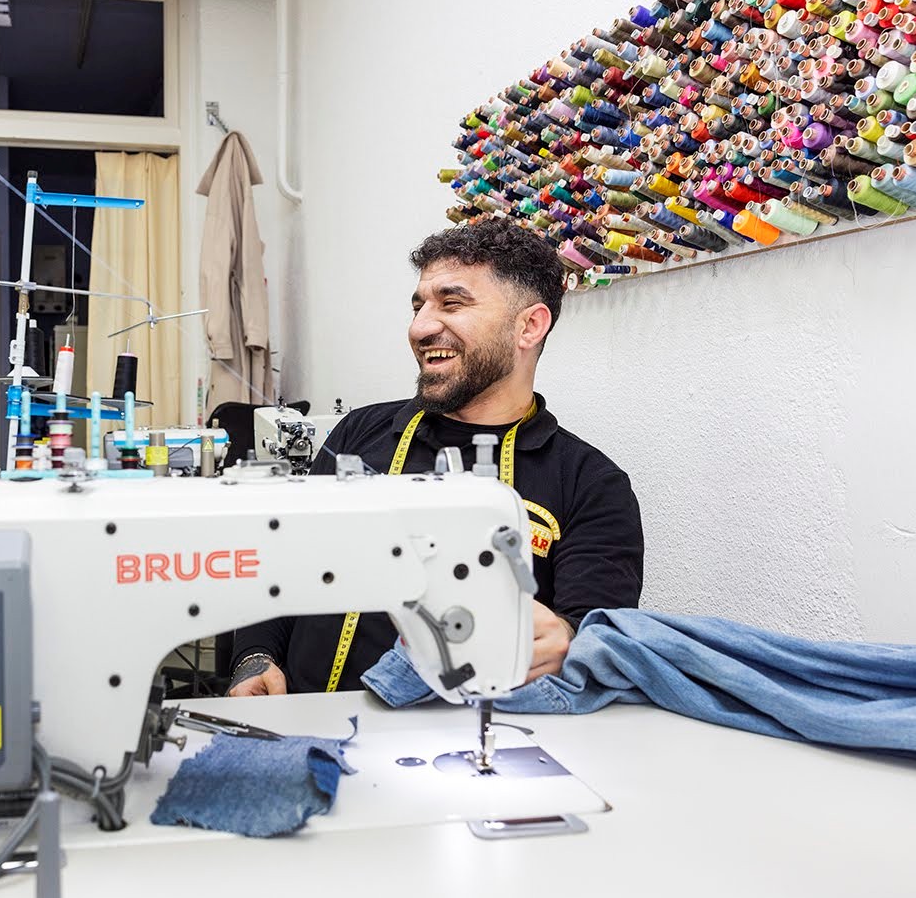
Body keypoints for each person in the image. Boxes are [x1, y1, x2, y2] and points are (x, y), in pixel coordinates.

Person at [229, 219, 642, 697]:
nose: (420, 327)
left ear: (529, 325)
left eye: (452, 303)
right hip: (306, 721)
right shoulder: (359, 434)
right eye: (419, 305)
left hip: (471, 747)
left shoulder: (590, 484)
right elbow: (286, 564)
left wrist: (567, 640)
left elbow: (598, 639)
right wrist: (253, 656)